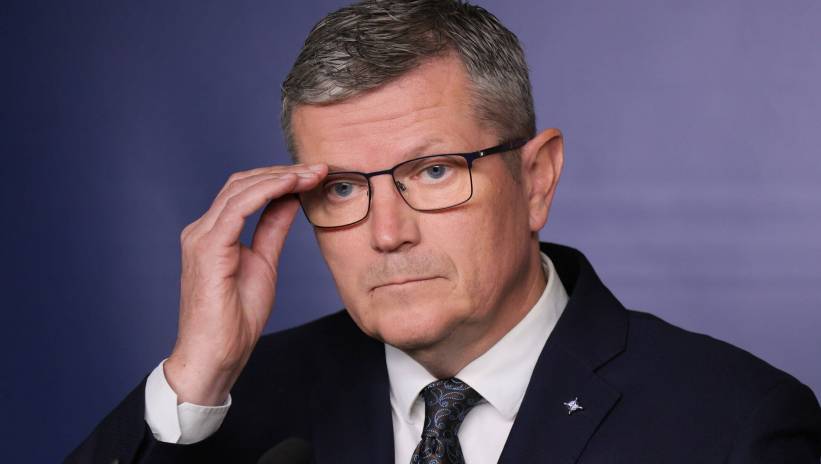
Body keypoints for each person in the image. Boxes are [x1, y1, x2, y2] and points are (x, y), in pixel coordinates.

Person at [67, 1, 821, 463]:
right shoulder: (232, 405)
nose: (386, 233)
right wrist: (192, 382)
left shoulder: (733, 425)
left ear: (536, 179)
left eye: (432, 172)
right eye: (341, 188)